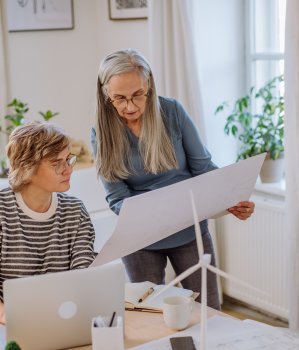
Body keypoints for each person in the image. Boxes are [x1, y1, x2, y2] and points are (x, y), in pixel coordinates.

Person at [91, 49, 255, 311]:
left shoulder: (172, 112)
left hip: (189, 231)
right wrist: (157, 213)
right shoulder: (102, 132)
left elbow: (204, 168)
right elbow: (117, 198)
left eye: (138, 96)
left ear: (150, 85)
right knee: (150, 316)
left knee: (209, 312)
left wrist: (232, 199)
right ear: (105, 94)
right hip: (140, 239)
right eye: (119, 99)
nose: (130, 107)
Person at [0, 123, 96, 328]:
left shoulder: (75, 212)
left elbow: (84, 275)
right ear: (27, 168)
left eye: (68, 159)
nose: (69, 169)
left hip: (41, 315)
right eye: (57, 163)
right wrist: (11, 317)